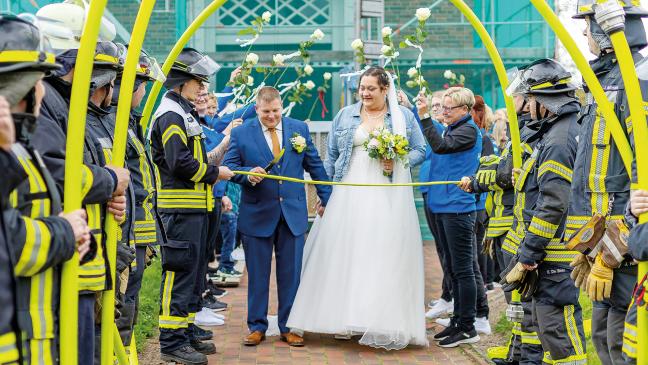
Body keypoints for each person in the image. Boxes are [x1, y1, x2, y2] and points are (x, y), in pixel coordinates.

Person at [286, 66, 427, 350]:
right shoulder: (345, 115)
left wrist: (398, 161)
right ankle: (342, 318)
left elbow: (420, 150)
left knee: (380, 252)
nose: (364, 93)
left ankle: (377, 317)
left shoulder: (403, 117)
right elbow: (332, 156)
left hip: (386, 194)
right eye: (362, 88)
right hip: (348, 191)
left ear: (385, 89)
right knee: (345, 250)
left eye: (371, 89)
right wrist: (324, 195)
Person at [0, 14, 92, 364]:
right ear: (22, 88)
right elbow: (12, 243)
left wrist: (78, 236)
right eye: (40, 82)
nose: (44, 91)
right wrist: (66, 231)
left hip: (35, 342)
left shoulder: (21, 151)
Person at [566, 2, 648, 364]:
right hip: (604, 234)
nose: (585, 36)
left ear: (606, 32)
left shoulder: (636, 79)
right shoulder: (608, 78)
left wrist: (623, 235)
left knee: (621, 338)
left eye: (588, 28)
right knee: (602, 330)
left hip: (624, 235)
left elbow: (641, 159)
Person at [223, 86, 331, 347]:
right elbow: (229, 166)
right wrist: (247, 174)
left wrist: (328, 198)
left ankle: (289, 326)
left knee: (291, 274)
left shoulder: (299, 129)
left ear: (281, 107)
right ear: (257, 109)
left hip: (292, 214)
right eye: (266, 112)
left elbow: (315, 165)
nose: (272, 116)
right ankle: (256, 326)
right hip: (257, 213)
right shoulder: (241, 132)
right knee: (258, 274)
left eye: (275, 111)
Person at [149, 47, 233, 365]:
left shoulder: (182, 111)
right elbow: (179, 162)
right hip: (180, 208)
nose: (202, 87)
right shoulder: (170, 114)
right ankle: (171, 342)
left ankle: (184, 331)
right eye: (198, 81)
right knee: (179, 273)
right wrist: (215, 173)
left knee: (193, 274)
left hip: (192, 207)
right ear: (182, 81)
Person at [501, 58, 586, 365]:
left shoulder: (558, 140)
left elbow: (553, 204)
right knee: (548, 330)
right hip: (551, 254)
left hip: (553, 256)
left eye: (531, 99)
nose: (527, 106)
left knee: (559, 335)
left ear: (545, 101)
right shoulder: (558, 131)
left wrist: (528, 255)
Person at [108, 47, 166, 350]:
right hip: (127, 229)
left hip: (138, 230)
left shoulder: (128, 123)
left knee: (131, 295)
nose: (143, 93)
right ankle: (122, 350)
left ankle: (125, 349)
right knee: (124, 296)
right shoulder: (115, 125)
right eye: (141, 86)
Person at [419, 86, 482, 347]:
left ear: (465, 110)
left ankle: (468, 326)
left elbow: (441, 147)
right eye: (442, 107)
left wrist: (424, 118)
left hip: (458, 208)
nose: (444, 112)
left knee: (463, 269)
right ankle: (458, 319)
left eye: (449, 108)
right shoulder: (453, 127)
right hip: (444, 206)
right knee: (453, 269)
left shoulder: (467, 130)